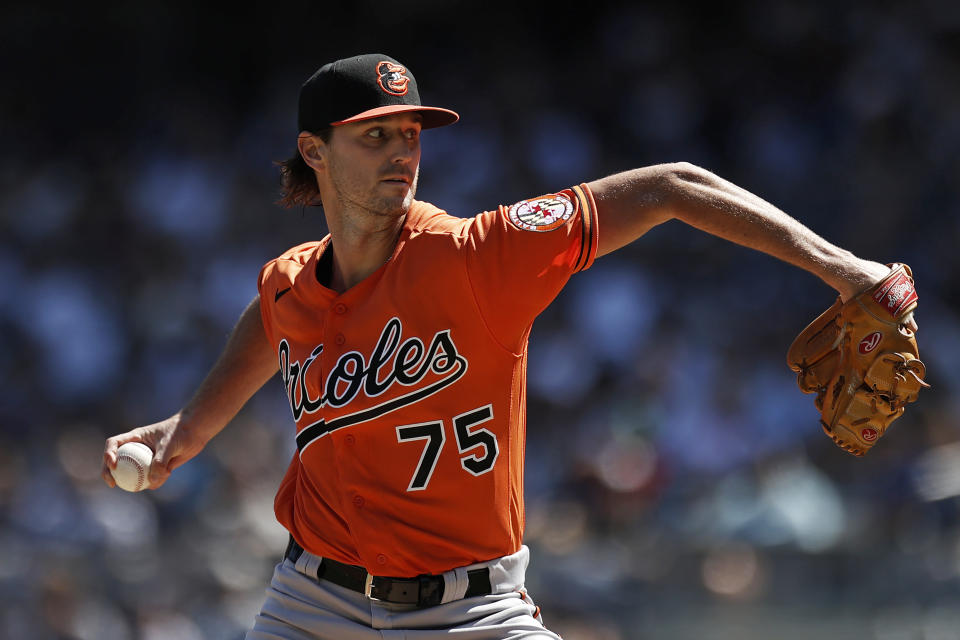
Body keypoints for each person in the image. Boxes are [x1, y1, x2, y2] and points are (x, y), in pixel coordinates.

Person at [102, 53, 900, 639]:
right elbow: (270, 315)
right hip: (313, 607)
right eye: (374, 136)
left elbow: (671, 188)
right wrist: (188, 431)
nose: (402, 152)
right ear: (315, 152)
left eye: (410, 132)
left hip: (471, 613)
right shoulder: (290, 282)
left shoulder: (474, 257)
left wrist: (842, 268)